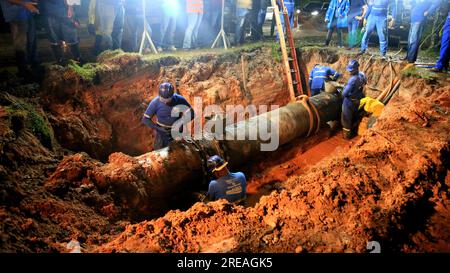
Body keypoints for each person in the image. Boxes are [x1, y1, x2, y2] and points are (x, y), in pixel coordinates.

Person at [141, 82, 195, 150]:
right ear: (159, 95)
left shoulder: (179, 100)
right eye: (163, 99)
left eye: (168, 99)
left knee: (178, 151)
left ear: (172, 95)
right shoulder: (155, 103)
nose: (165, 102)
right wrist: (159, 129)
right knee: (159, 152)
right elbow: (145, 119)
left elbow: (192, 113)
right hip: (162, 131)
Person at [0, 0, 38, 78]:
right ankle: (23, 70)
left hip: (27, 13)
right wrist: (25, 4)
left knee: (31, 41)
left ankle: (33, 66)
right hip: (16, 15)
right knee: (20, 44)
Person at [41, 0, 81, 64]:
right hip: (48, 9)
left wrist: (70, 7)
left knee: (71, 34)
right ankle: (60, 61)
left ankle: (78, 59)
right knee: (54, 37)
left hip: (64, 8)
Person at [341, 60, 367, 139]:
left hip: (349, 102)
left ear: (355, 69)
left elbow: (344, 94)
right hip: (358, 100)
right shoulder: (362, 75)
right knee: (355, 115)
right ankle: (355, 131)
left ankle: (347, 136)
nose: (349, 72)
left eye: (351, 70)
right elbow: (364, 84)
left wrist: (343, 89)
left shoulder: (352, 80)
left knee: (346, 118)